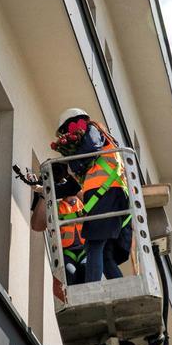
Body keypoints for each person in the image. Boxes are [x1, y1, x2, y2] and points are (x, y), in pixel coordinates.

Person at [53, 108, 132, 283]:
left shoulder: (92, 129)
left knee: (93, 245)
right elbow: (73, 185)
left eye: (66, 131)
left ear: (74, 123)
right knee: (104, 255)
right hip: (109, 194)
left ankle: (91, 288)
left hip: (107, 193)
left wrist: (73, 163)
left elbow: (92, 145)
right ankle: (120, 288)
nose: (66, 135)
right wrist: (48, 188)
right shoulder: (94, 158)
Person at [30, 164, 87, 285]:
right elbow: (37, 226)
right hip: (65, 252)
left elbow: (90, 203)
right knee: (69, 275)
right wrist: (45, 191)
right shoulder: (49, 199)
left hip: (86, 248)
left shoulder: (75, 190)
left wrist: (70, 182)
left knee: (86, 271)